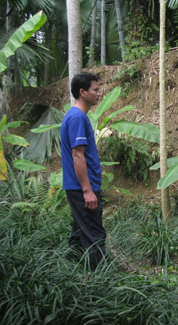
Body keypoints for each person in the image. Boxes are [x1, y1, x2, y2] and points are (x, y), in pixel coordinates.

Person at [61, 72, 106, 270]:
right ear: (82, 92)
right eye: (95, 90)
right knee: (95, 235)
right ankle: (101, 279)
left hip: (79, 187)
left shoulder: (76, 116)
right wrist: (87, 190)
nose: (99, 93)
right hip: (82, 189)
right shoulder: (77, 117)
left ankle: (72, 272)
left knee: (80, 232)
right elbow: (77, 156)